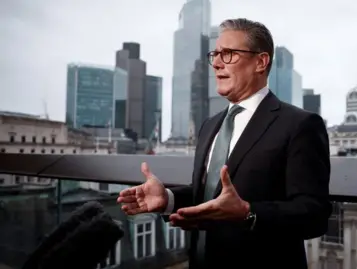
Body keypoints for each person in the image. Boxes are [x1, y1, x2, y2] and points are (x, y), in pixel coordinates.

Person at [117, 18, 332, 269]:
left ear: (260, 62)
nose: (217, 63)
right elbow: (210, 195)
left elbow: (314, 214)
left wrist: (248, 213)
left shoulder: (300, 124)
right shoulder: (210, 125)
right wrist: (168, 198)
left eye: (228, 54)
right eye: (215, 54)